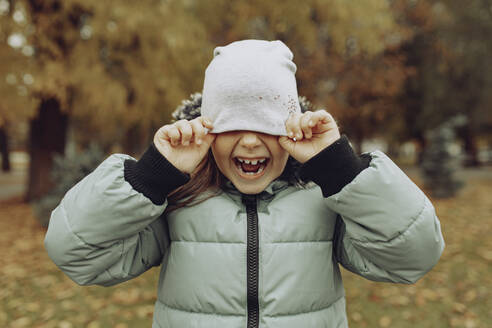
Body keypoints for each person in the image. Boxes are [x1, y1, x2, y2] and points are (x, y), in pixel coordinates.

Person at [45, 40, 445, 328]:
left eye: (267, 126)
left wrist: (341, 172)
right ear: (209, 129)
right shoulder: (179, 197)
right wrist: (150, 177)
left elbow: (415, 254)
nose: (251, 141)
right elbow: (75, 253)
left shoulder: (324, 198)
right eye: (233, 124)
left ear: (290, 129)